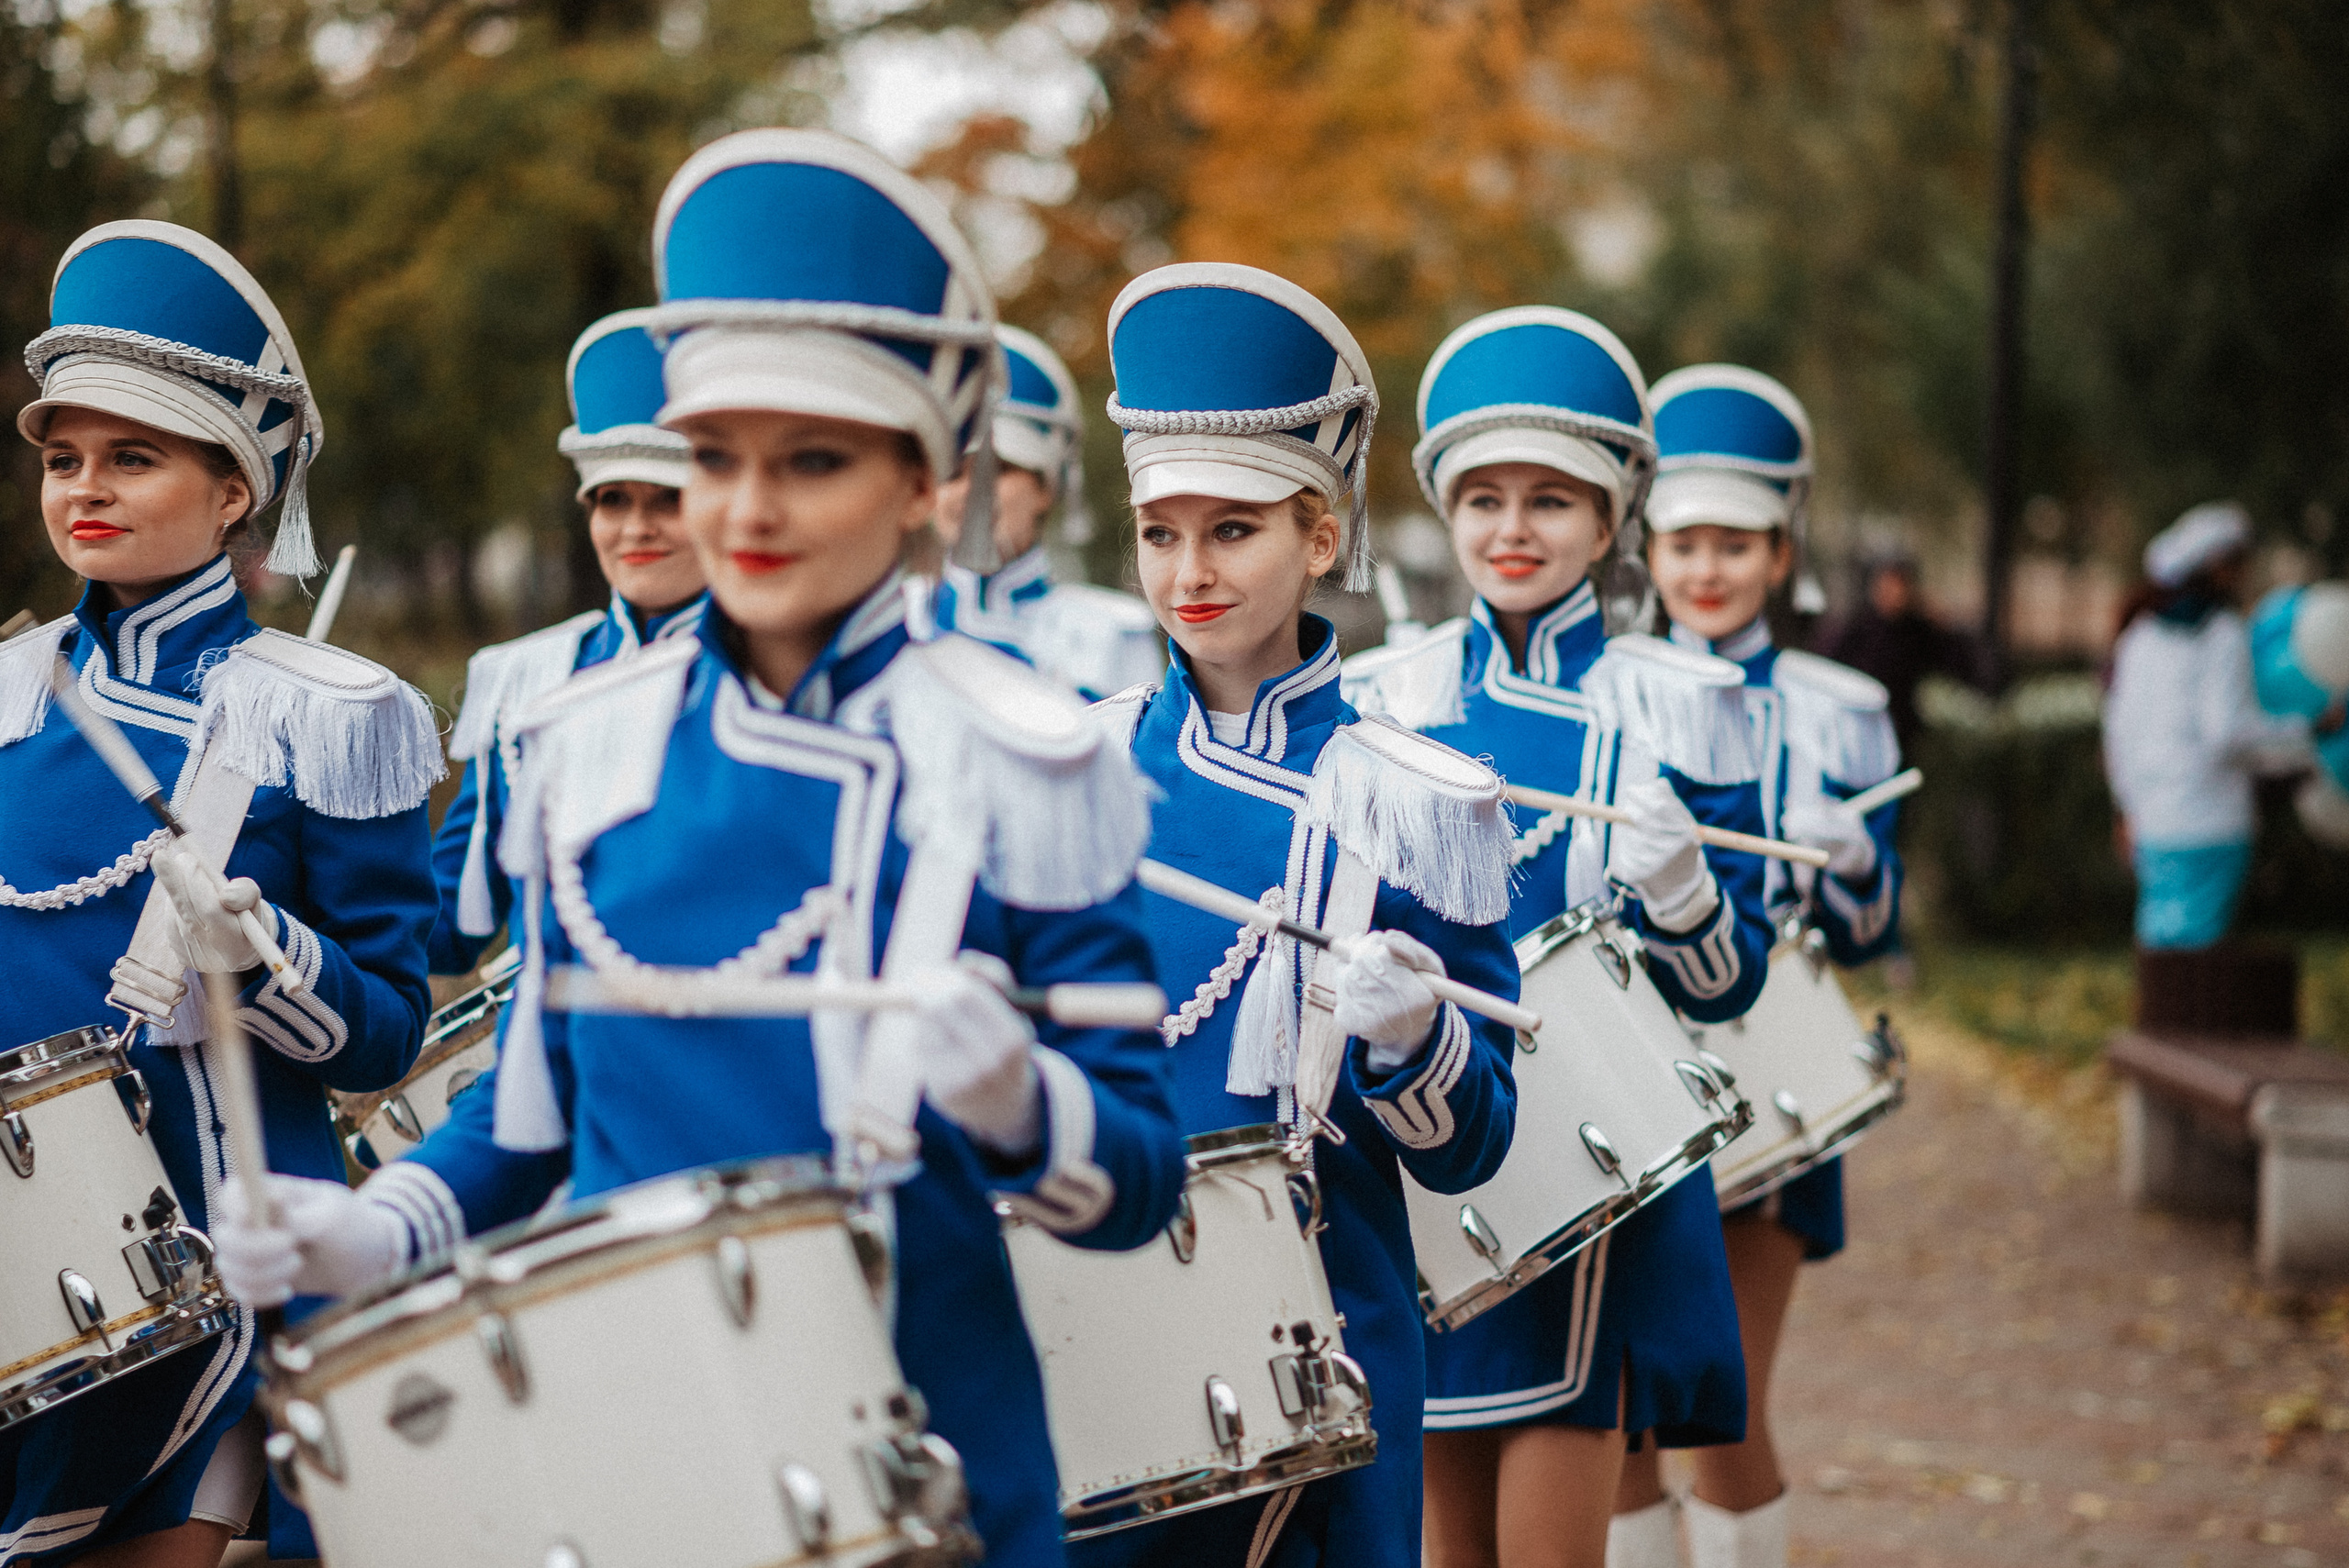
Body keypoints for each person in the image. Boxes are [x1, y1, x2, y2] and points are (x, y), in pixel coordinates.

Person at [207, 128, 1186, 1566]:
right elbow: (527, 1115)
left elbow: (1143, 1179)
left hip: (925, 1459)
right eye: (712, 458)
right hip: (629, 1450)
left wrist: (1022, 1101)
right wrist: (380, 1230)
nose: (747, 509)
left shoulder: (1027, 760)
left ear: (922, 483)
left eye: (813, 461)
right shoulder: (581, 742)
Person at [0, 221, 437, 1565]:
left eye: (135, 457)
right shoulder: (7, 695)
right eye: (64, 457)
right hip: (24, 1263)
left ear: (236, 488)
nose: (87, 487)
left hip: (215, 1272)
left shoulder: (330, 713)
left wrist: (267, 955)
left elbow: (388, 1030)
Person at [1077, 261, 1521, 1568]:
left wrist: (1416, 1040)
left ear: (1319, 537)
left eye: (1234, 530)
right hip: (1094, 1327)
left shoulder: (1413, 797)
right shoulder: (1070, 770)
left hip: (1321, 1342)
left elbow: (1471, 1145)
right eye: (1162, 532)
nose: (1189, 570)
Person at [1341, 307, 1771, 1568]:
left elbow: (1730, 984)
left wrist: (1688, 895)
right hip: (1430, 1159)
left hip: (1593, 1178)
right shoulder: (1390, 695)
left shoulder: (1679, 705)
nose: (1513, 530)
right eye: (1482, 498)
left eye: (1551, 500)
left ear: (1609, 522)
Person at [1609, 364, 1906, 1568]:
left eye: (1737, 543)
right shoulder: (1606, 686)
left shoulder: (1843, 708)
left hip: (1774, 1083)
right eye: (1684, 542)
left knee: (1720, 1409)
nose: (1707, 569)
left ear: (1782, 553)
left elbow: (1875, 926)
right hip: (1630, 1083)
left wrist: (1849, 862)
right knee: (1620, 1408)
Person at [426, 308, 707, 976]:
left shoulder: (774, 673)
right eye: (612, 500)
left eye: (667, 499)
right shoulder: (529, 679)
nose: (635, 527)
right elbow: (446, 927)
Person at [2104, 501, 2325, 950]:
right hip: (2211, 823)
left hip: (2154, 822)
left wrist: (2128, 807)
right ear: (2219, 569)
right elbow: (2228, 734)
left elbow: (2118, 734)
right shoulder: (2223, 634)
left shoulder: (2139, 637)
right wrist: (2308, 731)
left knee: (2161, 956)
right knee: (2196, 969)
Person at [931, 323, 1164, 697]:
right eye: (954, 473)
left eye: (1000, 470)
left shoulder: (1109, 635)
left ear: (1045, 489)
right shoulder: (885, 624)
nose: (972, 494)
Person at [1814, 544, 1995, 759]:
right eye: (1887, 582)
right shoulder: (1853, 629)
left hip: (1899, 738)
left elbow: (1963, 662)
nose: (1894, 592)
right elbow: (1822, 673)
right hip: (1853, 736)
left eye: (1900, 583)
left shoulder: (1917, 631)